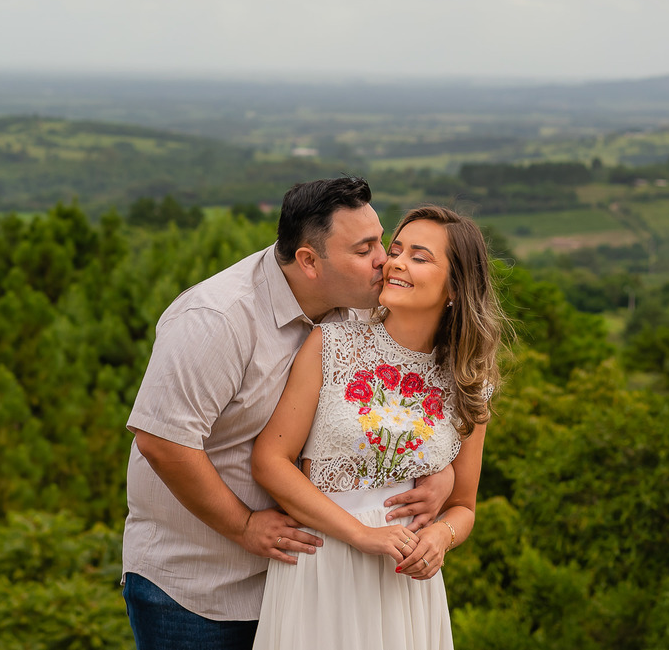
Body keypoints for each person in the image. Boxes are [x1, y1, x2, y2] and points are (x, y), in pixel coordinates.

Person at [123, 178, 455, 650]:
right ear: (308, 261)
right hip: (198, 590)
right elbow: (162, 442)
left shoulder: (363, 307)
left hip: (311, 585)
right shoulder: (215, 318)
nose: (385, 260)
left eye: (381, 239)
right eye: (365, 249)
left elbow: (395, 406)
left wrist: (436, 470)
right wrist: (243, 525)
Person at [251, 204, 509, 649]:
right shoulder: (331, 343)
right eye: (397, 249)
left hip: (405, 584)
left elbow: (464, 506)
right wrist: (362, 536)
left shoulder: (468, 381)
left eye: (420, 256)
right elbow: (270, 462)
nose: (396, 263)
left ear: (455, 288)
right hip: (322, 569)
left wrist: (440, 538)